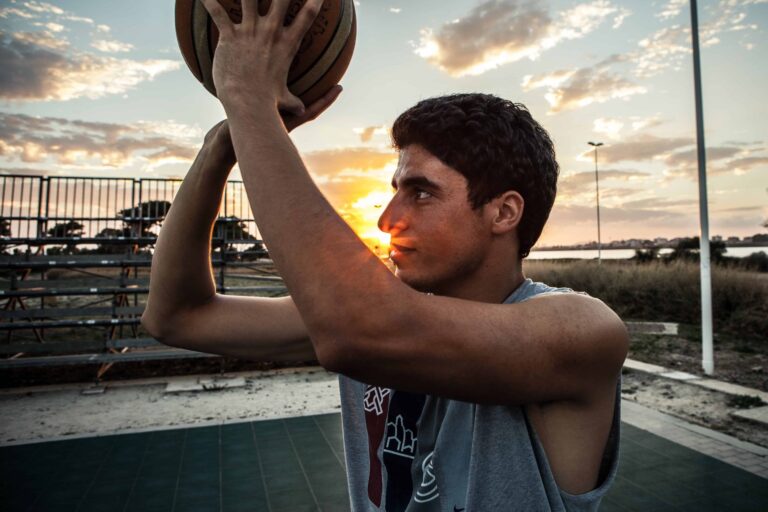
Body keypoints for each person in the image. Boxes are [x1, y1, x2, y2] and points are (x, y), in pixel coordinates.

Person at [142, 1, 629, 510]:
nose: (387, 219)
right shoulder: (368, 312)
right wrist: (222, 145)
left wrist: (249, 101)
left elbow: (358, 329)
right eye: (395, 190)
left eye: (421, 192)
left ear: (503, 212)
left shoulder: (583, 333)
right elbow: (177, 316)